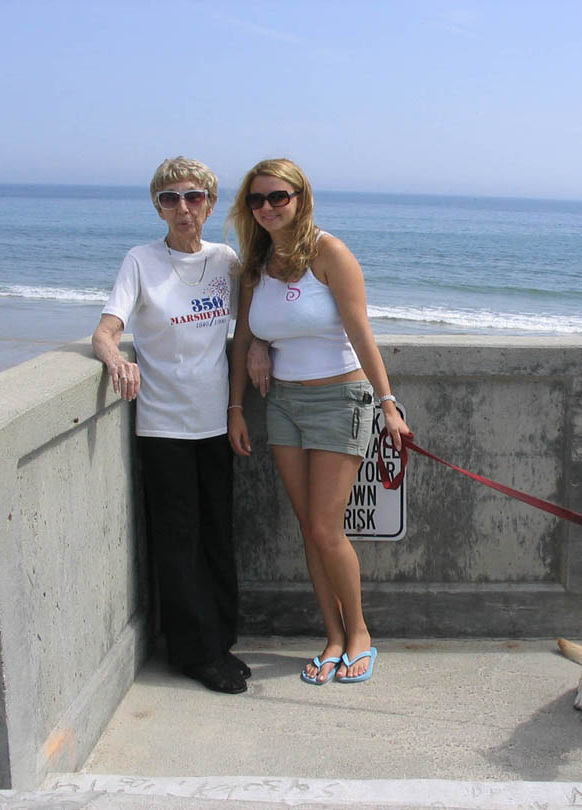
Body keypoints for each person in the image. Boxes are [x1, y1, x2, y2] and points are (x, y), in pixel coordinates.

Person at [227, 158, 411, 685]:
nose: (267, 208)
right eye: (257, 200)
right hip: (282, 402)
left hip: (339, 399)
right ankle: (331, 636)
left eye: (277, 197)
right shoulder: (256, 263)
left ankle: (359, 633)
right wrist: (237, 404)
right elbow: (245, 335)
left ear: (300, 197)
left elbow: (360, 331)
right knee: (308, 526)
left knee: (328, 529)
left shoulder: (328, 252)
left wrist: (388, 403)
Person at [92, 156, 251, 694]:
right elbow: (106, 330)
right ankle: (193, 653)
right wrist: (116, 359)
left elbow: (253, 322)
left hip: (215, 421)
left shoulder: (224, 260)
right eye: (170, 198)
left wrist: (261, 354)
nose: (183, 208)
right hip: (162, 425)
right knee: (178, 540)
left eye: (193, 197)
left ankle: (220, 640)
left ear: (209, 202)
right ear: (158, 206)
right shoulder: (140, 261)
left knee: (218, 534)